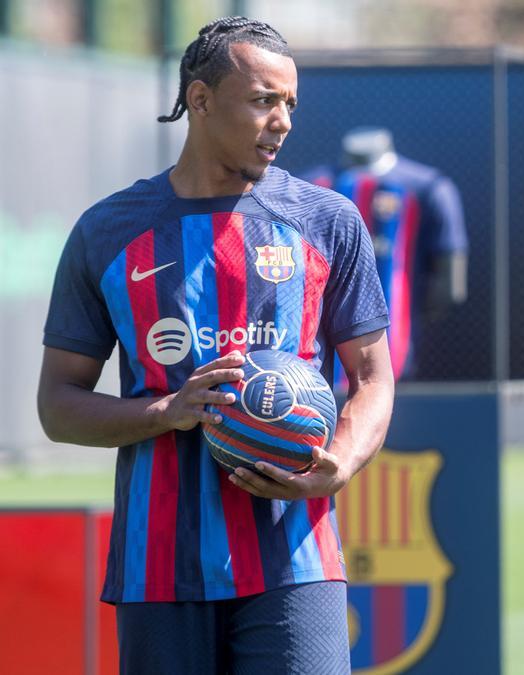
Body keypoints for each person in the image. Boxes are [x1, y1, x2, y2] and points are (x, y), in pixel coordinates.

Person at [36, 17, 394, 674]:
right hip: (158, 570)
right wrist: (167, 411)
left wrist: (340, 460)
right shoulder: (107, 232)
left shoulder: (328, 221)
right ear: (199, 99)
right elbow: (58, 404)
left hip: (296, 559)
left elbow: (373, 377)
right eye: (263, 100)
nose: (282, 120)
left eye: (290, 103)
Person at [304, 127, 468, 384]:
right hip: (317, 358)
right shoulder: (309, 187)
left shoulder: (429, 188)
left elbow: (450, 284)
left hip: (388, 351)